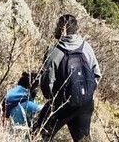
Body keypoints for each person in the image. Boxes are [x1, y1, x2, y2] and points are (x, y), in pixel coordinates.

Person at [35, 14, 101, 142]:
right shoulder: (86, 47)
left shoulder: (54, 52)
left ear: (62, 30)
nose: (55, 29)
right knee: (83, 139)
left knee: (39, 134)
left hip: (62, 104)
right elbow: (97, 74)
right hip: (85, 104)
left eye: (57, 27)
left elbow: (46, 84)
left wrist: (53, 99)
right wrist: (85, 93)